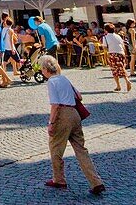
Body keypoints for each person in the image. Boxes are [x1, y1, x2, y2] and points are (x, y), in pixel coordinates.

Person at [40, 55, 105, 195]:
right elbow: (79, 96)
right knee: (81, 150)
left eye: (42, 69)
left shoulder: (51, 81)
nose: (41, 71)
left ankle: (59, 179)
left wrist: (51, 123)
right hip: (75, 114)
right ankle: (96, 181)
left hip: (63, 115)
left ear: (46, 69)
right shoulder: (64, 78)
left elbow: (55, 105)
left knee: (55, 147)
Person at [101, 24, 130, 92]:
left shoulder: (105, 37)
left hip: (112, 53)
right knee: (121, 68)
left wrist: (106, 56)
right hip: (121, 53)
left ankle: (119, 85)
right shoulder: (118, 36)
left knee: (114, 70)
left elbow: (105, 48)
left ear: (106, 30)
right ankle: (124, 82)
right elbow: (123, 45)